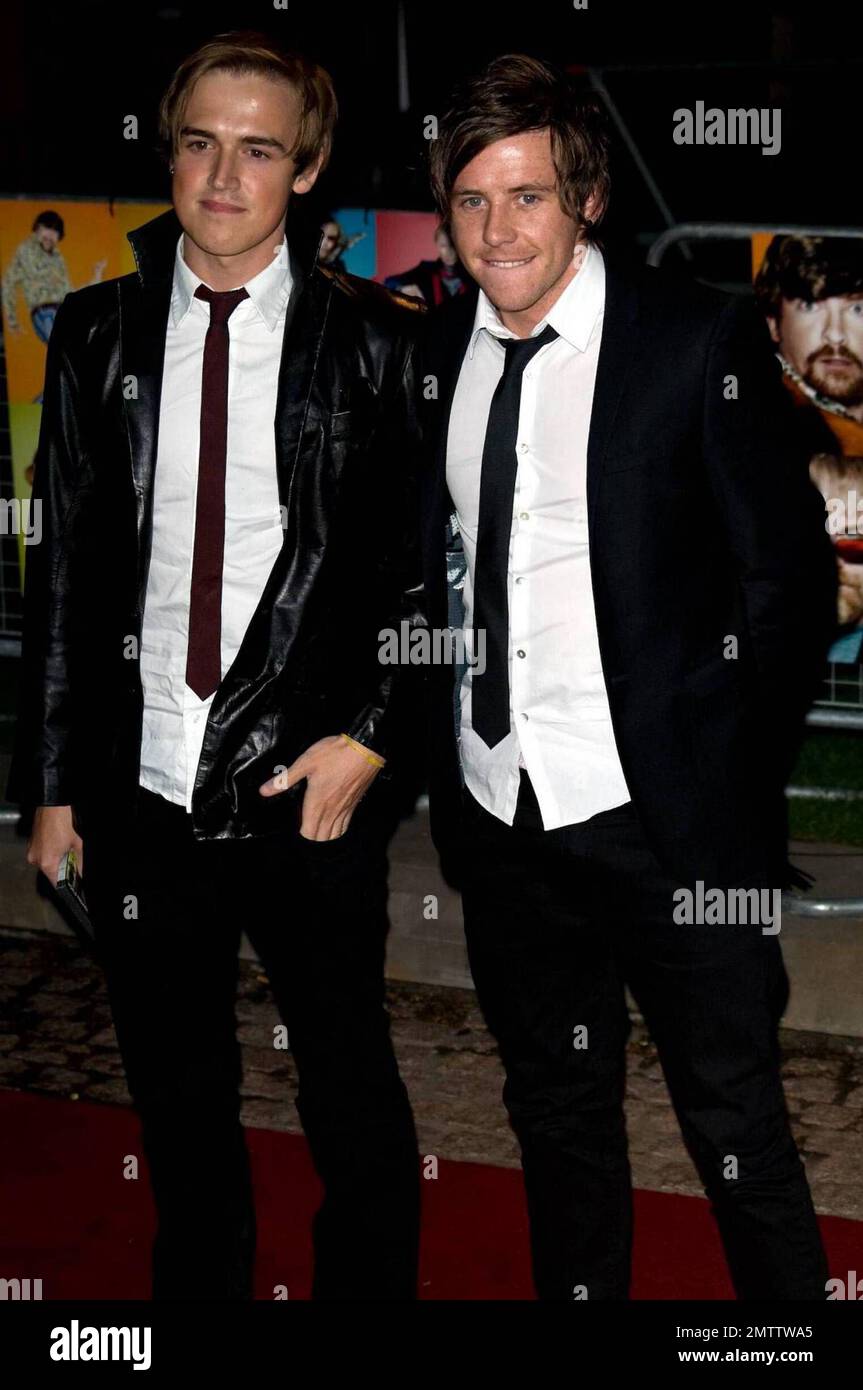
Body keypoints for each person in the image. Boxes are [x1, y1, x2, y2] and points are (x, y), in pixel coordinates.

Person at [8, 29, 425, 1301]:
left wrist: (372, 732)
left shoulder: (383, 344)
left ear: (306, 170)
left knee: (345, 1076)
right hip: (141, 781)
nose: (223, 175)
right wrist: (55, 782)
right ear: (168, 151)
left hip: (309, 778)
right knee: (176, 1090)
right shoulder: (93, 335)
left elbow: (435, 575)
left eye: (258, 149)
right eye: (199, 142)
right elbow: (67, 572)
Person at [420, 53, 837, 1301]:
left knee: (733, 1126)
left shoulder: (689, 340)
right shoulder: (437, 354)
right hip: (504, 821)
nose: (498, 230)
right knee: (555, 1117)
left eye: (529, 196)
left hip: (669, 829)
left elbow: (788, 584)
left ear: (586, 198)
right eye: (472, 199)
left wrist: (723, 783)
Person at [386, 224, 468, 306]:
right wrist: (402, 288)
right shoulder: (426, 270)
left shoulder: (470, 273)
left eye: (453, 245)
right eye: (443, 246)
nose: (449, 251)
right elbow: (390, 282)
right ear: (437, 246)